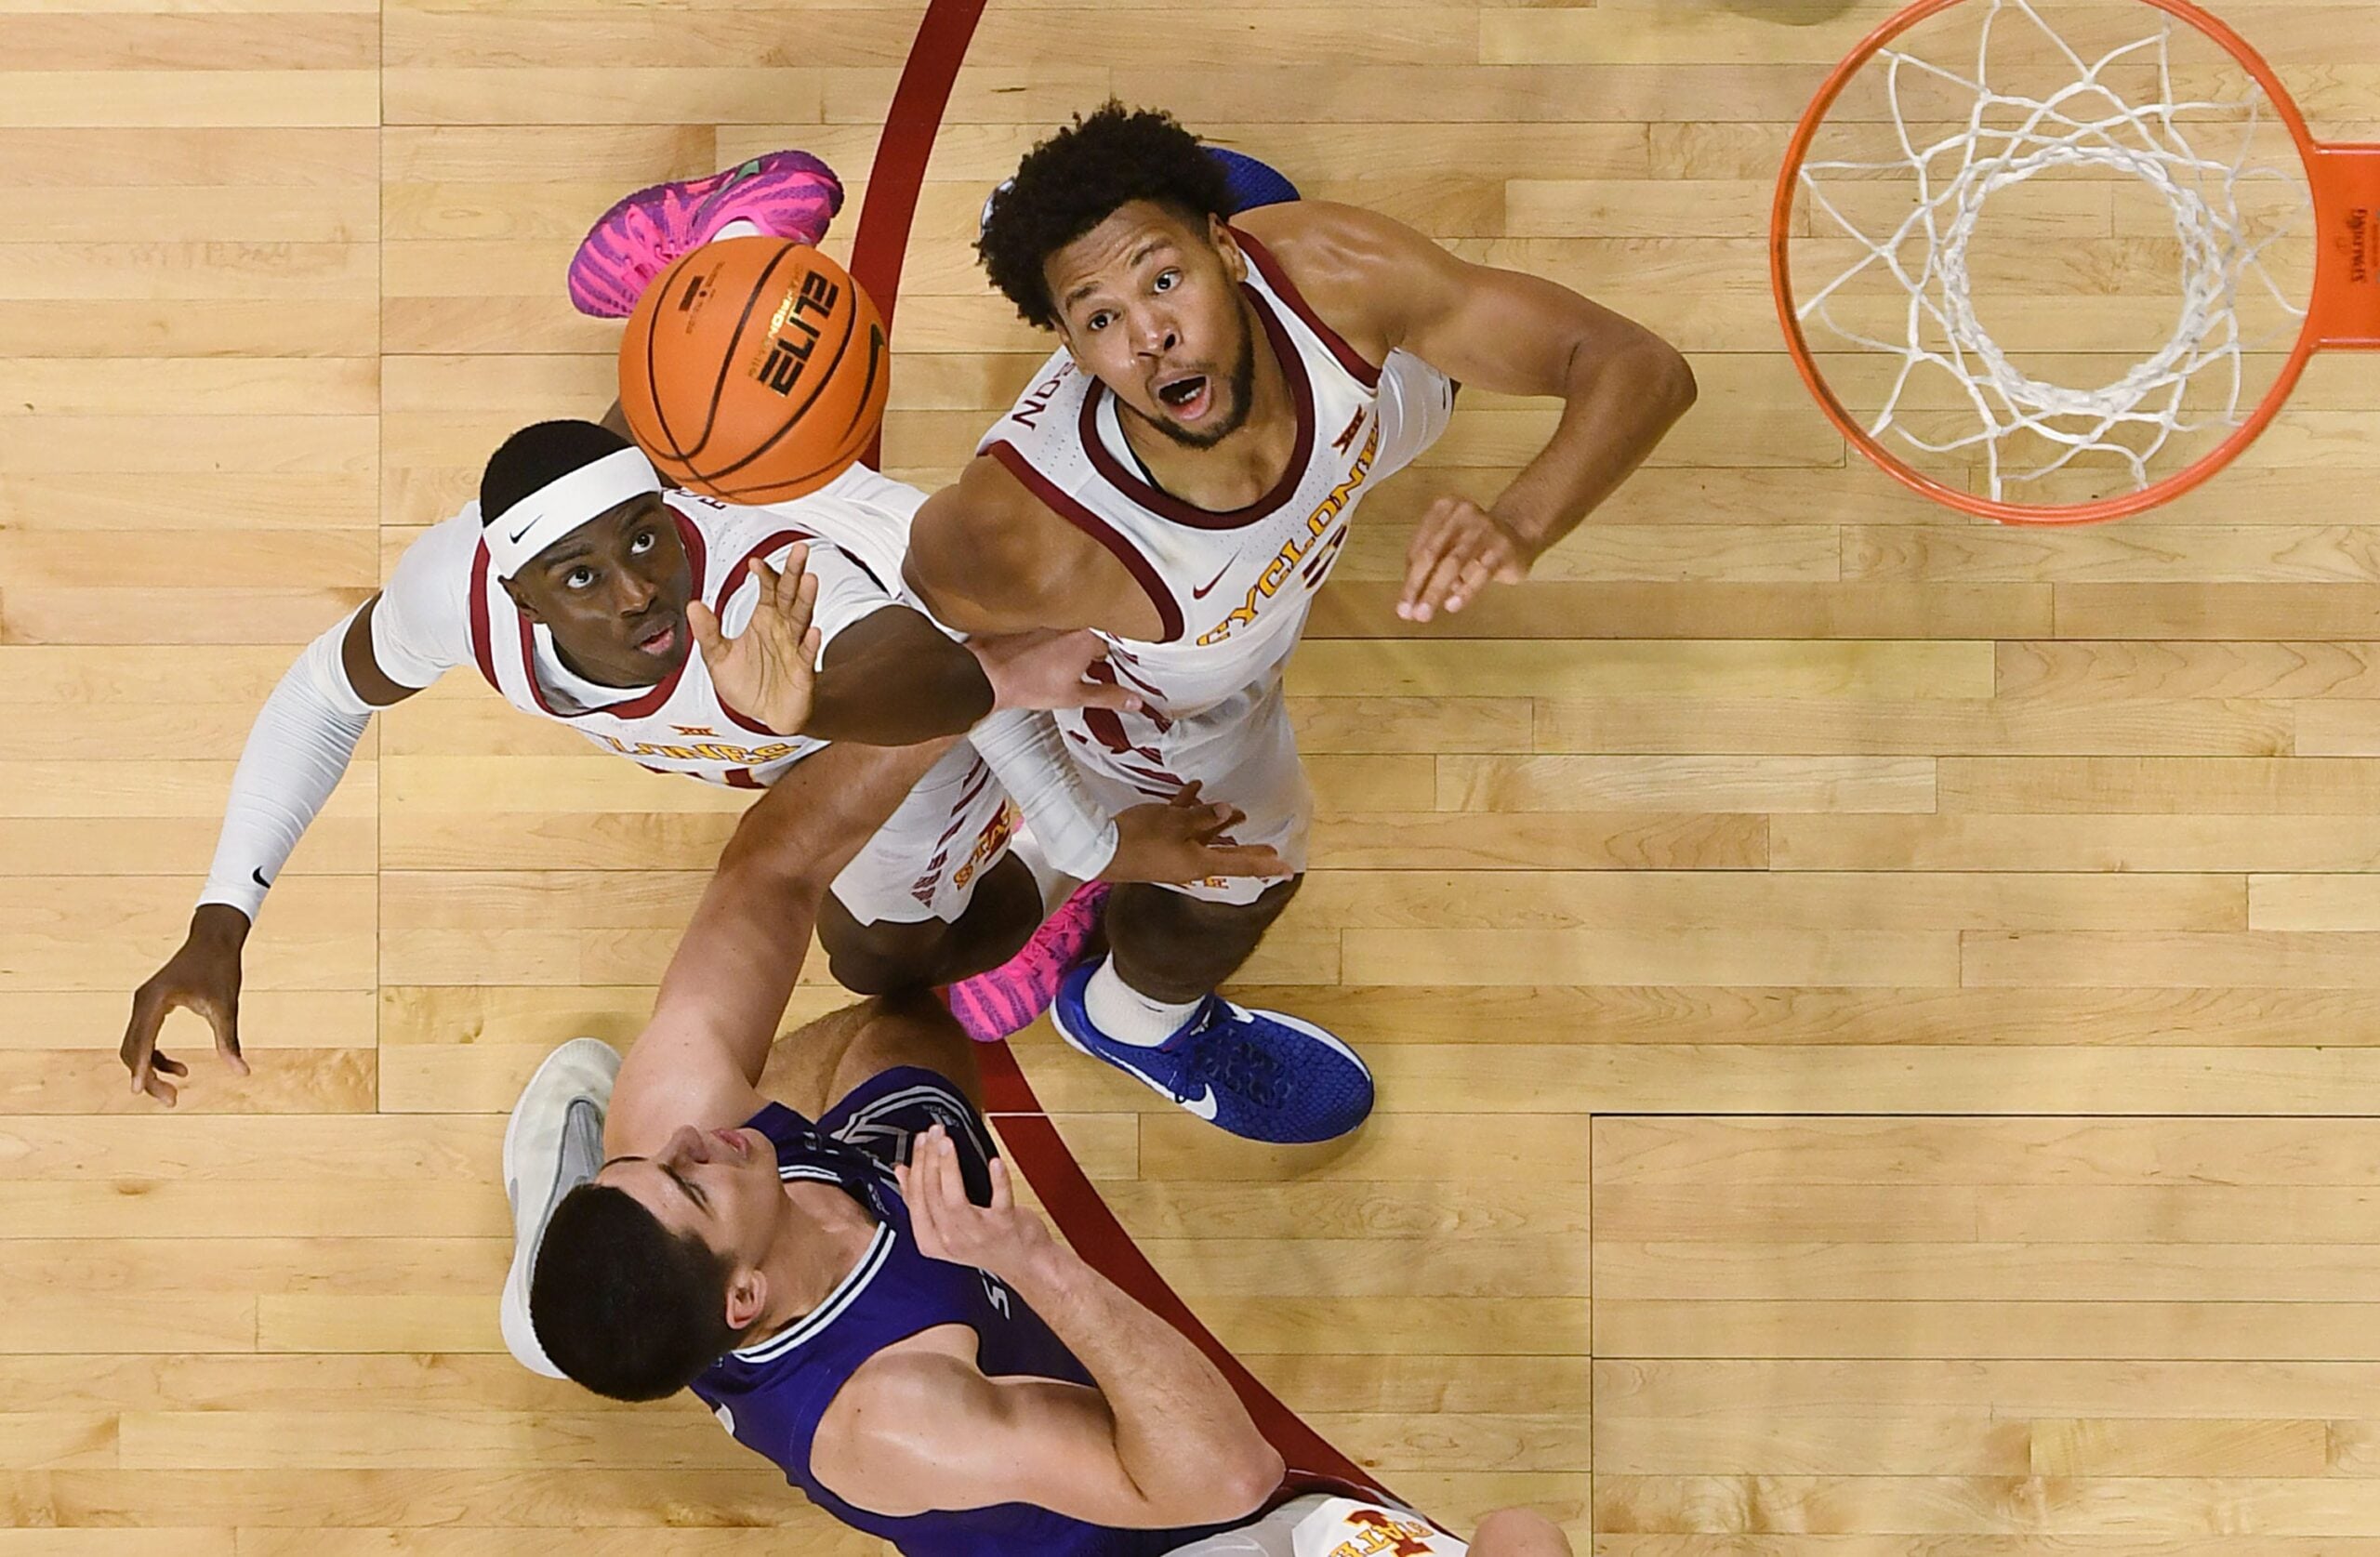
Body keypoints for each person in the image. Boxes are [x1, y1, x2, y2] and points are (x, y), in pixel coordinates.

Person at [508, 597, 1576, 1551]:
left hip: (811, 1261)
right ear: (744, 1295)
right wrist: (1029, 1258)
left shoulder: (685, 1132)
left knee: (905, 1027)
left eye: (648, 1165)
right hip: (1143, 1529)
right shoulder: (896, 1416)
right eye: (686, 1183)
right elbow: (1223, 1479)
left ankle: (561, 1301)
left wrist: (978, 682)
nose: (690, 1142)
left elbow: (771, 870)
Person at [881, 104, 1696, 1144]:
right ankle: (1132, 1013)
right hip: (1169, 705)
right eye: (1099, 318)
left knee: (1432, 359)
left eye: (1163, 279)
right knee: (1247, 873)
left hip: (1304, 484)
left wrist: (1521, 519)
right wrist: (1094, 836)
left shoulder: (1332, 271)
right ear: (1073, 349)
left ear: (1232, 251)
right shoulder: (1030, 530)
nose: (1150, 336)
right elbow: (926, 649)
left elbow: (1636, 363)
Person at [119, 416, 1287, 1108]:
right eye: (583, 576)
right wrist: (224, 915)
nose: (639, 591)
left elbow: (962, 686)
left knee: (892, 960)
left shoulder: (775, 584)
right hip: (815, 729)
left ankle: (1044, 874)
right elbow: (322, 695)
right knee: (870, 951)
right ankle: (713, 272)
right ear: (514, 592)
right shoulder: (451, 592)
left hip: (902, 711)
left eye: (647, 540)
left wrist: (1093, 841)